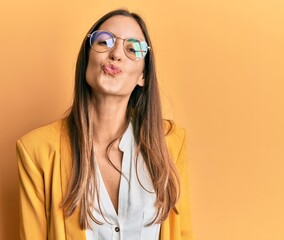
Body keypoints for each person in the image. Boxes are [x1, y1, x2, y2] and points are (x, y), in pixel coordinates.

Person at [17, 9, 193, 240]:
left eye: (133, 49)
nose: (116, 54)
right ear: (86, 58)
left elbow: (182, 234)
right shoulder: (35, 150)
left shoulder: (171, 141)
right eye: (104, 41)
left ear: (143, 76)